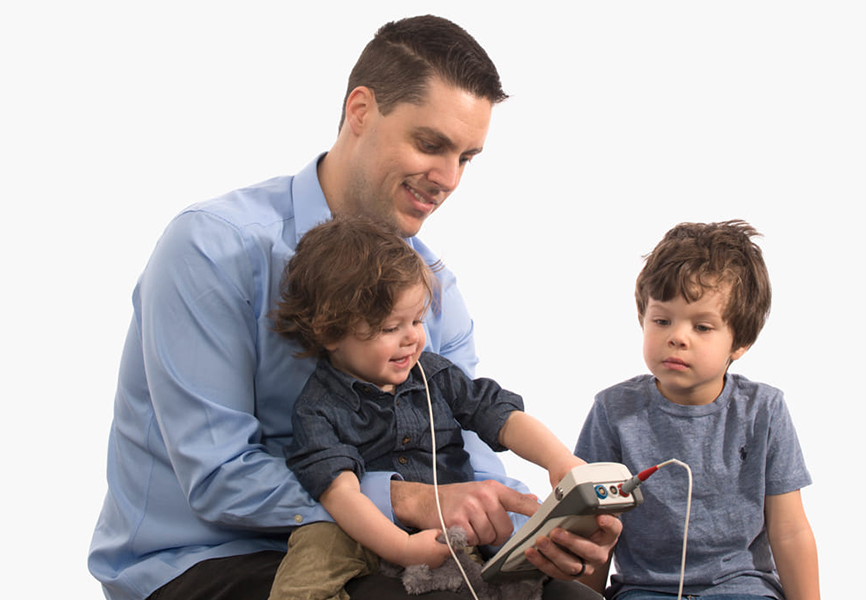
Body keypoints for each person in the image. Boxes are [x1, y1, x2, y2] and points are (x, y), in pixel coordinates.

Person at [87, 14, 619, 600]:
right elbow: (218, 476)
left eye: (466, 158)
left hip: (392, 554)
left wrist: (529, 531)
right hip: (207, 556)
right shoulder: (212, 249)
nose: (448, 178)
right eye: (430, 144)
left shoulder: (435, 294)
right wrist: (409, 499)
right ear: (360, 111)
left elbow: (468, 457)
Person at [267, 215, 586, 599]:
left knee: (521, 565)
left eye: (417, 320)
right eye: (391, 328)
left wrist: (559, 460)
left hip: (451, 523)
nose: (412, 338)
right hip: (361, 530)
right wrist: (402, 548)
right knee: (313, 551)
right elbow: (342, 495)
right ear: (330, 332)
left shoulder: (434, 373)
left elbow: (501, 417)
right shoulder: (317, 409)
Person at [574, 221, 820, 600]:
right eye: (662, 321)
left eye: (702, 327)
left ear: (740, 342)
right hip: (645, 590)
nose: (677, 337)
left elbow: (789, 530)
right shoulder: (613, 411)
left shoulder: (764, 411)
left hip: (742, 588)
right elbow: (592, 525)